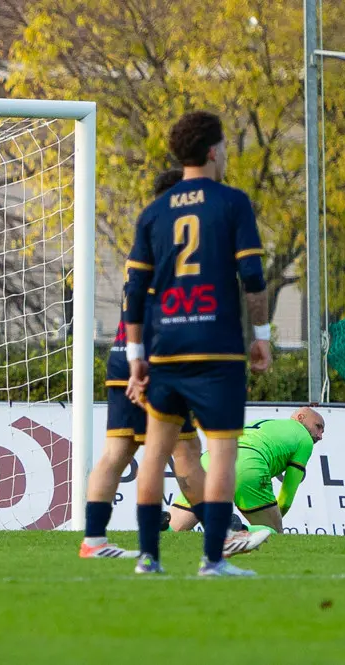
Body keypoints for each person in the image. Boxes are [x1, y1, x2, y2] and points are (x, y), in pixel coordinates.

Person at [80, 168, 263, 560]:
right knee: (181, 452)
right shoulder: (164, 244)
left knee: (126, 449)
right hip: (148, 359)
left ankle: (94, 540)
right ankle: (226, 532)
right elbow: (142, 303)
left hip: (127, 354)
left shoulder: (153, 240)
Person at [124, 111, 273, 576]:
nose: (226, 154)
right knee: (222, 450)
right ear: (212, 151)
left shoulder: (154, 212)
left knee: (157, 451)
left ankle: (149, 557)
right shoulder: (231, 203)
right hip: (217, 348)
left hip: (165, 346)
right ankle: (213, 558)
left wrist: (135, 358)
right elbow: (252, 275)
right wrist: (262, 336)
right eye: (225, 146)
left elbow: (133, 291)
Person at [167, 407, 325, 535]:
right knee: (273, 534)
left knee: (173, 530)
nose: (320, 435)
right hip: (247, 462)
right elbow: (286, 496)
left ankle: (161, 524)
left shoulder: (267, 423)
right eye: (318, 427)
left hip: (209, 459)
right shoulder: (304, 439)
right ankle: (236, 530)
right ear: (301, 417)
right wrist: (274, 519)